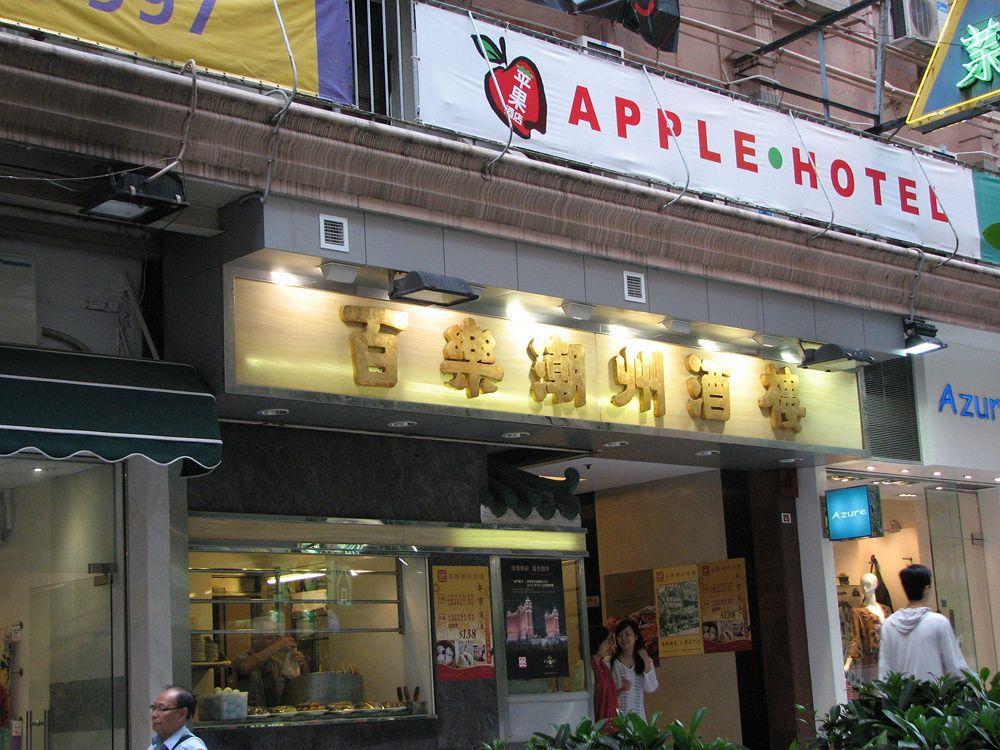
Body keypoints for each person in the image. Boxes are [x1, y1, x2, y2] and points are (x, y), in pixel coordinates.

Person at [878, 564, 968, 681]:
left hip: (901, 697)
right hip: (934, 696)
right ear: (926, 589)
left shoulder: (889, 625)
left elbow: (885, 668)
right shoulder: (938, 623)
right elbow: (955, 666)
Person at [234, 614, 309, 707]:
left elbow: (299, 681)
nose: (273, 642)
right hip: (251, 716)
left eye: (275, 638)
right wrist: (278, 645)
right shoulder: (242, 658)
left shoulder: (275, 663)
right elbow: (245, 668)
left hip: (275, 715)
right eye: (269, 638)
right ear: (255, 638)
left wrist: (301, 663)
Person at [610, 618, 658, 720]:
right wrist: (621, 690)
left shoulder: (645, 660)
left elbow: (651, 688)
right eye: (619, 635)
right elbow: (607, 694)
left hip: (639, 721)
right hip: (618, 722)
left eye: (627, 634)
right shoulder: (611, 663)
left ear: (635, 636)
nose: (623, 638)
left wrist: (645, 661)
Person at [148, 685, 207, 750]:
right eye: (154, 707)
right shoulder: (155, 746)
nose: (154, 715)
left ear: (181, 714)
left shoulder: (192, 747)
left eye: (161, 708)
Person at [589, 625, 617, 723]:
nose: (610, 645)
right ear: (597, 641)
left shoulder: (603, 667)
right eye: (607, 641)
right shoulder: (586, 669)